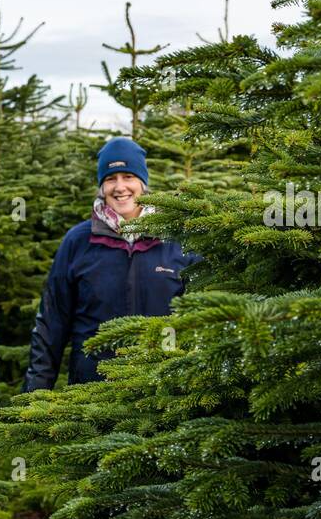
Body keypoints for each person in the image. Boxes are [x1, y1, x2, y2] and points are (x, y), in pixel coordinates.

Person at [24, 137, 202, 391]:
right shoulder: (78, 241)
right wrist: (34, 396)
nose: (120, 187)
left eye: (128, 176)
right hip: (91, 392)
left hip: (164, 392)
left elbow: (203, 318)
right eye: (110, 178)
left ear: (142, 183)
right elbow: (52, 324)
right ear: (101, 186)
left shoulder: (177, 240)